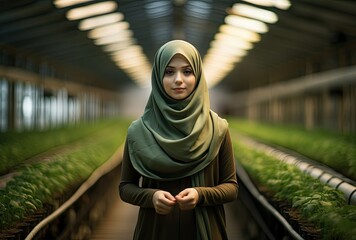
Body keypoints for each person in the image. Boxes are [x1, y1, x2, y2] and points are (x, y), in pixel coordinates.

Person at [119, 40, 238, 240]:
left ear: (198, 76)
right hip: (156, 231)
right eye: (169, 72)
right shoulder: (138, 131)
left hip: (206, 231)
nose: (178, 80)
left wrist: (201, 195)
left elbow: (231, 187)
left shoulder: (218, 128)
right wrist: (151, 196)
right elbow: (125, 187)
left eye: (187, 72)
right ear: (158, 77)